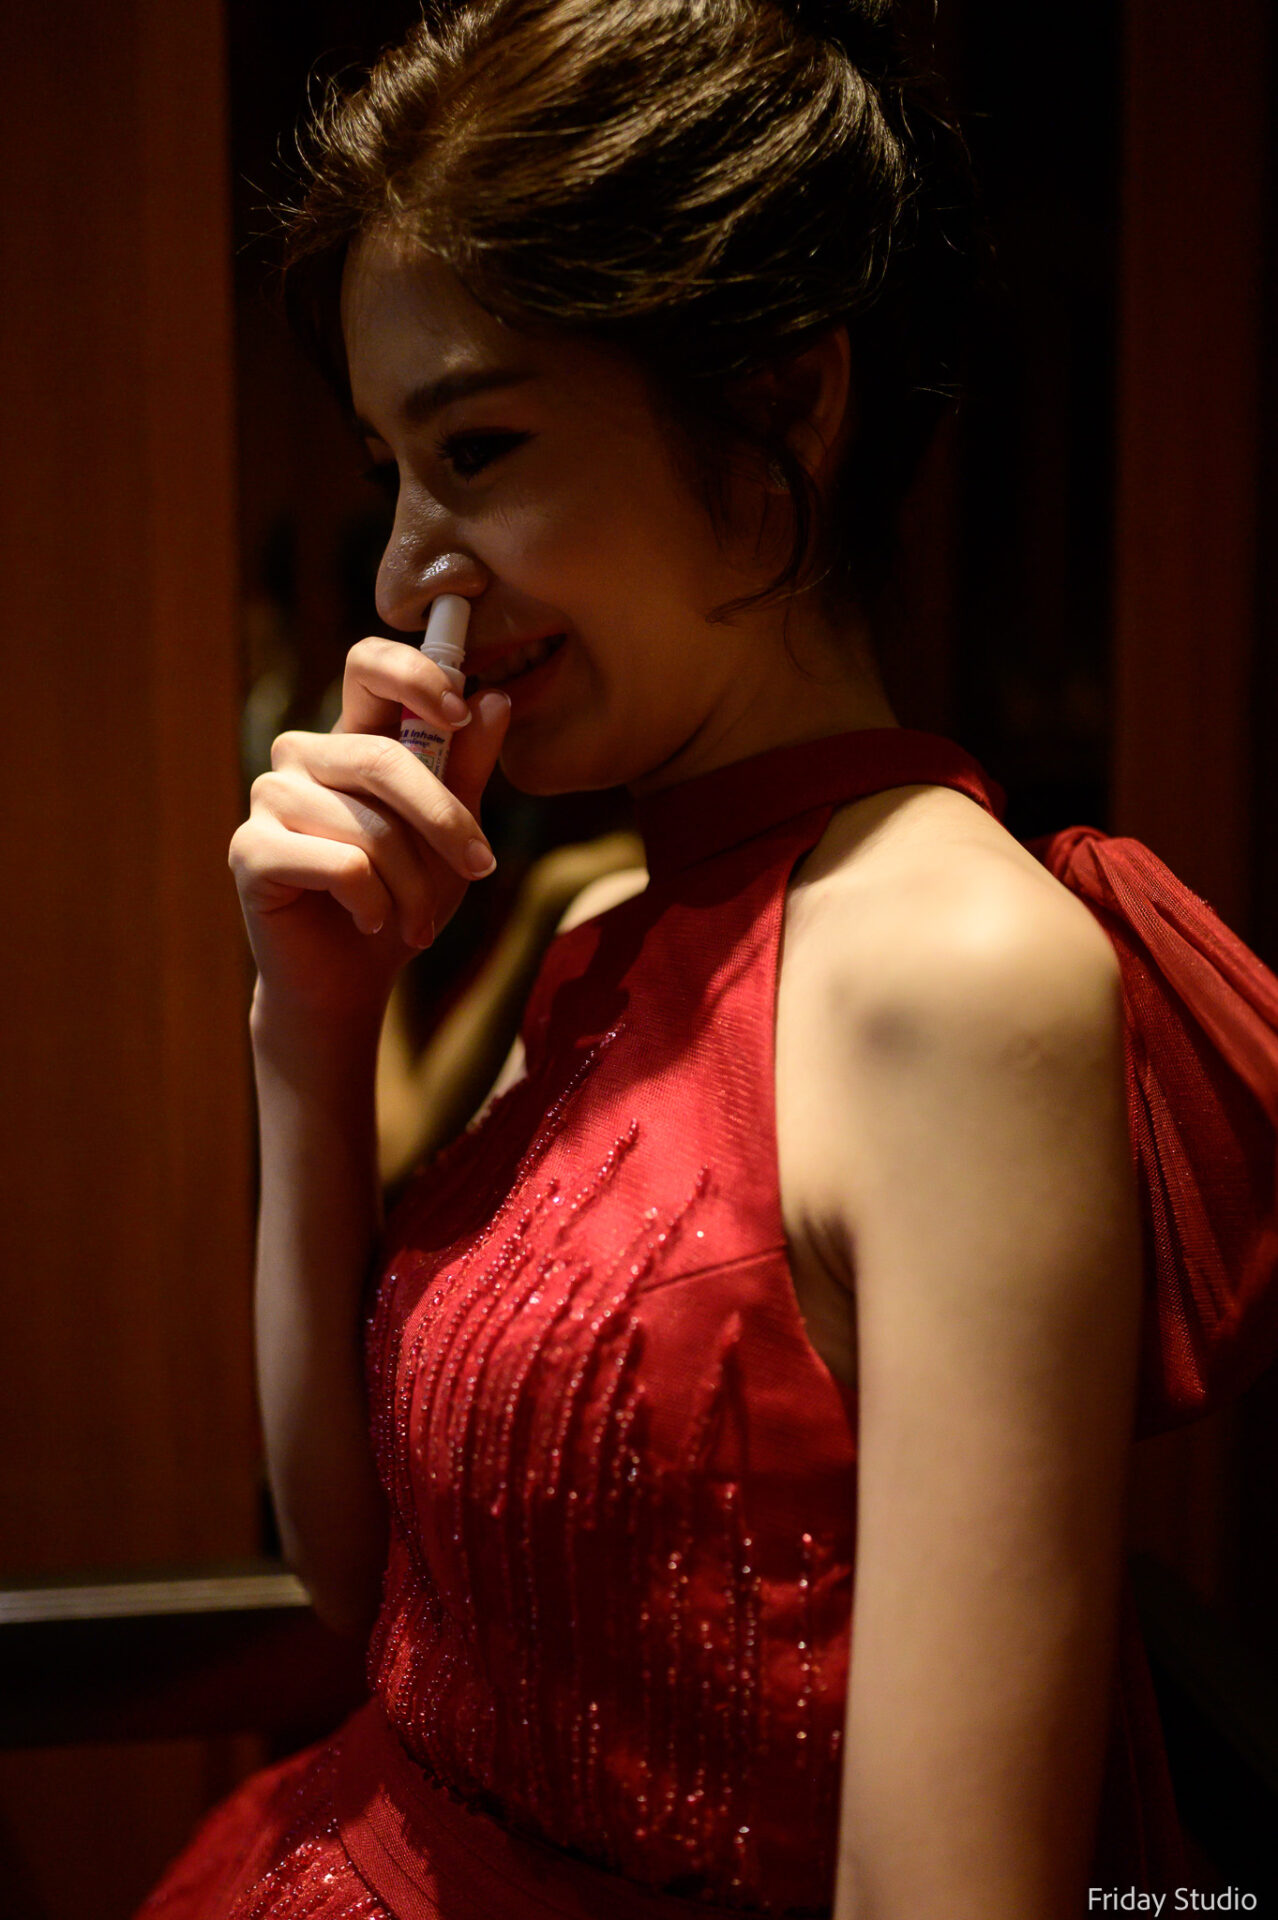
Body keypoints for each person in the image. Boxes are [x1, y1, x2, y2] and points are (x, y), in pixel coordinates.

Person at [139, 1, 1278, 1915]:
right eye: (387, 470)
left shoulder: (952, 973)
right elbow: (365, 1584)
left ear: (776, 404)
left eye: (478, 447)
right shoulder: (601, 929)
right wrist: (308, 1032)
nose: (409, 572)